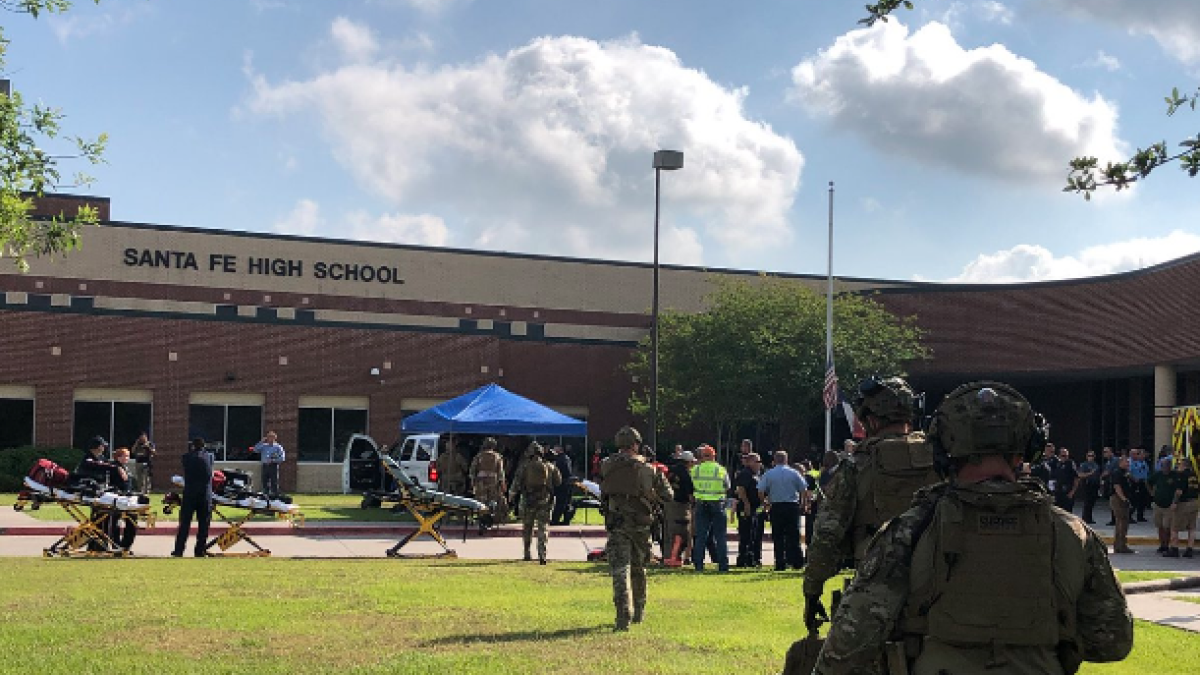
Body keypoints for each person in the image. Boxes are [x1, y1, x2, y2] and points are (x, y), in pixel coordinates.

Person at [813, 381, 1133, 674]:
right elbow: (1112, 641)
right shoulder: (1071, 533)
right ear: (1027, 447)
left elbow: (846, 648)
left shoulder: (909, 531)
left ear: (944, 447)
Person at [804, 377, 941, 623]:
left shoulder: (856, 466)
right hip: (938, 585)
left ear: (871, 420)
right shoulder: (943, 461)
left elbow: (827, 535)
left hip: (876, 587)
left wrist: (812, 592)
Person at [599, 426, 672, 631]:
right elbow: (668, 495)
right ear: (635, 444)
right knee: (639, 568)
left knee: (620, 569)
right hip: (641, 524)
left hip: (617, 523)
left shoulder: (606, 465)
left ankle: (623, 614)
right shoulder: (648, 469)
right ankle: (639, 610)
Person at [508, 442, 562, 564]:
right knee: (543, 528)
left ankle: (527, 553)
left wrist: (511, 495)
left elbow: (516, 483)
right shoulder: (549, 466)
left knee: (527, 528)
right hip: (545, 500)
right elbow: (558, 482)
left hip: (528, 500)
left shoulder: (524, 466)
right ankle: (542, 555)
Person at [758, 450, 807, 571]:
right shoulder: (794, 473)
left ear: (775, 460)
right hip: (792, 506)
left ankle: (780, 562)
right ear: (786, 459)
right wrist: (803, 503)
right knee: (794, 535)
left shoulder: (769, 474)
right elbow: (803, 489)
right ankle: (797, 562)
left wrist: (765, 503)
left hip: (776, 507)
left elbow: (760, 490)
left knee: (778, 536)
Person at [689, 444, 730, 572]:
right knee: (720, 536)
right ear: (713, 455)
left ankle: (698, 565)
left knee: (701, 536)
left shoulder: (695, 469)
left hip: (701, 503)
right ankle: (723, 566)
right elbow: (727, 486)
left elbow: (691, 484)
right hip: (717, 503)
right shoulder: (720, 469)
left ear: (702, 456)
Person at [172, 437, 214, 558]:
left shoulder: (186, 457)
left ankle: (179, 550)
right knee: (204, 524)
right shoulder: (209, 457)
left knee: (185, 523)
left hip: (190, 492)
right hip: (205, 493)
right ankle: (200, 550)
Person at [663, 450, 695, 567]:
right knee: (681, 532)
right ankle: (674, 559)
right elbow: (690, 495)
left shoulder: (670, 470)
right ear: (689, 462)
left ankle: (667, 557)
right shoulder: (686, 474)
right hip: (681, 506)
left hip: (668, 504)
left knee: (668, 532)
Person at [470, 437, 507, 533]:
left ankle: (482, 522)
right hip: (493, 482)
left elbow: (473, 470)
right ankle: (489, 520)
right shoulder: (497, 457)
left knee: (481, 503)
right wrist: (502, 484)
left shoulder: (479, 456)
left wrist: (473, 482)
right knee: (492, 502)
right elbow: (501, 472)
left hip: (480, 482)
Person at [734, 451, 765, 567]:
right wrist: (746, 504)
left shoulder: (755, 474)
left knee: (752, 534)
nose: (760, 464)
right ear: (750, 462)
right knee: (746, 534)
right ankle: (742, 560)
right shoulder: (745, 473)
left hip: (754, 508)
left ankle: (751, 559)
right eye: (757, 461)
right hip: (746, 508)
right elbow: (741, 489)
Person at [1165, 456, 1199, 558]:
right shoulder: (1194, 476)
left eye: (1179, 464)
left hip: (1184, 504)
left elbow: (1179, 491)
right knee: (1192, 528)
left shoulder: (1182, 476)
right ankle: (1189, 549)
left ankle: (1174, 549)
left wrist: (1174, 502)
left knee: (1174, 528)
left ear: (1184, 465)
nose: (1177, 466)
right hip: (1194, 502)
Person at [110, 448, 139, 553]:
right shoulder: (114, 467)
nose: (126, 458)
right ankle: (116, 545)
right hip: (118, 498)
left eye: (128, 456)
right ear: (118, 457)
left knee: (132, 521)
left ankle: (126, 545)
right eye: (124, 456)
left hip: (127, 498)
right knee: (116, 522)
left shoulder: (125, 468)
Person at [1110, 455, 1134, 554]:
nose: (1128, 464)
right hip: (1118, 499)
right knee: (1121, 522)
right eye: (1126, 462)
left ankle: (1120, 545)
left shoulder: (1125, 472)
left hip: (1123, 498)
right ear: (1121, 463)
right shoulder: (1117, 473)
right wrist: (1123, 499)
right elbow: (1117, 487)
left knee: (1124, 523)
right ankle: (1120, 546)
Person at [550, 445, 576, 525]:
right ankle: (566, 520)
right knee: (566, 503)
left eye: (555, 449)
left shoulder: (560, 459)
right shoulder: (566, 458)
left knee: (560, 503)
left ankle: (555, 519)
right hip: (567, 483)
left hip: (562, 483)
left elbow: (563, 472)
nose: (553, 450)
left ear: (559, 450)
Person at [254, 431, 286, 496]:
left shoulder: (278, 447)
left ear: (275, 438)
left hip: (273, 465)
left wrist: (273, 460)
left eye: (271, 437)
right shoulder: (263, 446)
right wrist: (261, 442)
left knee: (274, 481)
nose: (269, 439)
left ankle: (275, 495)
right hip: (265, 465)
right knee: (264, 481)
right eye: (268, 437)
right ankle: (265, 494)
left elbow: (282, 458)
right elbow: (255, 450)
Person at [1052, 446, 1080, 512]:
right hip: (1058, 493)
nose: (1065, 457)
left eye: (1067, 456)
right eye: (1063, 456)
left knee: (1067, 513)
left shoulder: (1070, 463)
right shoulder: (1056, 464)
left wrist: (1072, 492)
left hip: (1067, 492)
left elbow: (1076, 478)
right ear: (1059, 456)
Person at [1078, 449, 1100, 524]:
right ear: (1086, 457)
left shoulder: (1096, 465)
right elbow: (1080, 475)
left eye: (1092, 456)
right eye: (1089, 456)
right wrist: (1090, 473)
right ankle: (1085, 518)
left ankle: (1089, 518)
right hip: (1087, 484)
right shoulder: (1084, 465)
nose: (1091, 457)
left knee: (1092, 503)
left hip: (1095, 485)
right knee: (1087, 502)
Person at [1129, 448, 1150, 522]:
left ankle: (1140, 516)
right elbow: (1129, 472)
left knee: (1143, 500)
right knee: (1134, 500)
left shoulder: (1144, 462)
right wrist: (1134, 479)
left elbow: (1146, 472)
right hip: (1134, 483)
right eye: (1135, 454)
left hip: (1143, 482)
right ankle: (1129, 516)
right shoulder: (1131, 462)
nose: (1136, 455)